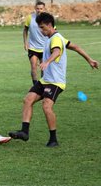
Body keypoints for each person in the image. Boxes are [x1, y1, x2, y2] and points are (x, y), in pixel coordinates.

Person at [9, 12, 99, 147]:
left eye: (42, 27)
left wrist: (47, 62)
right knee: (28, 100)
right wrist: (89, 59)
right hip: (46, 80)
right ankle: (24, 132)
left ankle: (53, 139)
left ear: (50, 25)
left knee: (46, 105)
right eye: (39, 27)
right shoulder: (55, 38)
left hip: (56, 81)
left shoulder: (56, 39)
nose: (41, 30)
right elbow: (75, 47)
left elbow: (56, 51)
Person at [23, 1, 47, 85]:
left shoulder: (47, 19)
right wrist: (25, 43)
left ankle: (42, 84)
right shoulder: (30, 18)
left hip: (45, 47)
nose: (39, 10)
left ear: (44, 9)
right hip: (33, 47)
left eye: (41, 9)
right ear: (35, 8)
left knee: (43, 68)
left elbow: (54, 32)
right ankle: (35, 86)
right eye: (37, 8)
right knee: (33, 67)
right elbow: (25, 30)